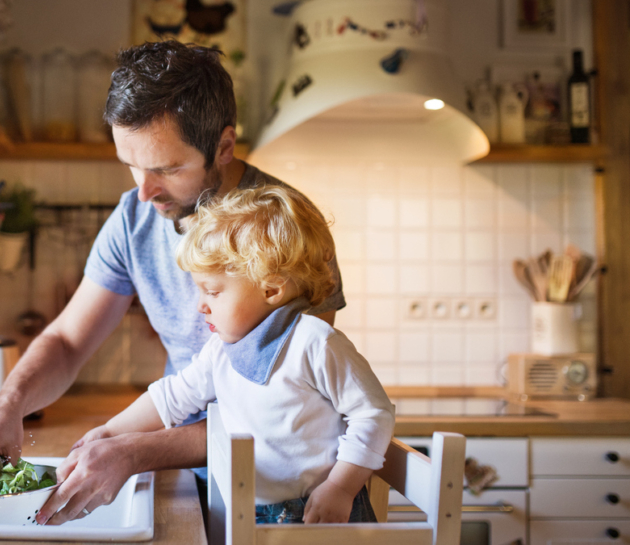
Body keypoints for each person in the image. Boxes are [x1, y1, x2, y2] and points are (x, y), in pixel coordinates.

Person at [0, 40, 347, 525]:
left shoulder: (289, 231)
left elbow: (284, 409)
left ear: (223, 147)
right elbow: (68, 341)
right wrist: (7, 404)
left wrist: (137, 451)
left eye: (166, 168)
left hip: (281, 489)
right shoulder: (133, 218)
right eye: (131, 164)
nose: (144, 190)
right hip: (187, 469)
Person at [72, 185, 394, 524]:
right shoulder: (222, 349)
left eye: (212, 291)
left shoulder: (316, 343)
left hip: (319, 511)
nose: (201, 305)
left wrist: (341, 488)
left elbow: (374, 415)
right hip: (249, 511)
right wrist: (109, 432)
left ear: (270, 289)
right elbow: (171, 397)